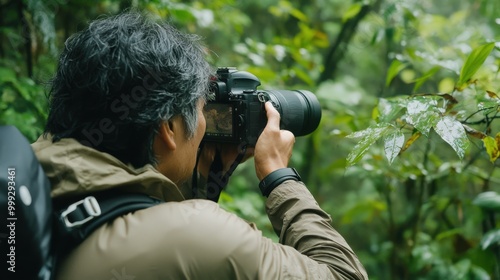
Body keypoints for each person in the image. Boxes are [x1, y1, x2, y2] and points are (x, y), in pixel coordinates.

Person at [32, 11, 368, 279]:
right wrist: (279, 176)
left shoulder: (29, 181)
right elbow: (344, 275)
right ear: (167, 129)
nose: (205, 124)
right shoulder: (200, 234)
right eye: (200, 109)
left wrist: (206, 177)